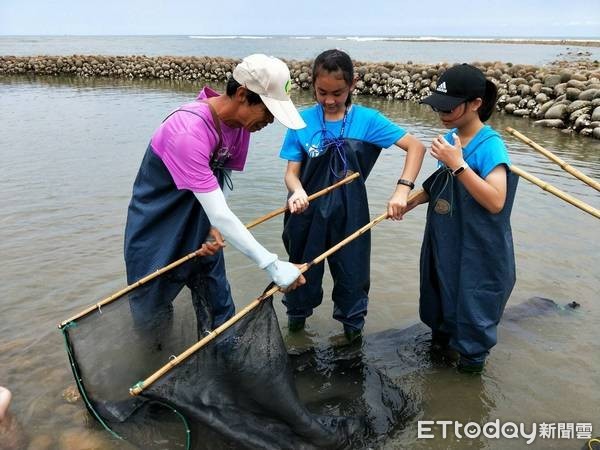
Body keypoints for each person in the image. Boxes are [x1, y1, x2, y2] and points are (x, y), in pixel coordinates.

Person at [124, 54, 306, 339]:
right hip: (156, 230)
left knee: (220, 313)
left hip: (202, 229)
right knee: (151, 315)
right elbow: (220, 211)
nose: (270, 121)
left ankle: (221, 368)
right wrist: (272, 265)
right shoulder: (188, 132)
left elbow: (215, 189)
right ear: (243, 95)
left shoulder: (240, 127)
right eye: (268, 112)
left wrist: (214, 228)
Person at [279, 49, 425, 342]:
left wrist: (402, 189)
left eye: (338, 92)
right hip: (305, 215)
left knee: (353, 282)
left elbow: (416, 148)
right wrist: (296, 192)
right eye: (322, 92)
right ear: (312, 84)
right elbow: (291, 173)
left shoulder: (368, 120)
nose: (330, 100)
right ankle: (295, 337)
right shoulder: (300, 121)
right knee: (299, 281)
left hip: (351, 217)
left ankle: (352, 339)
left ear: (353, 84)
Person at [408, 63, 518, 373]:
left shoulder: (491, 145)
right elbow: (442, 183)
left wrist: (458, 165)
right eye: (438, 106)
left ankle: (470, 382)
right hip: (446, 243)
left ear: (475, 104)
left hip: (477, 252)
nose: (441, 112)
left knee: (472, 317)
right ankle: (440, 374)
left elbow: (496, 200)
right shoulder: (453, 137)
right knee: (439, 303)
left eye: (450, 106)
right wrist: (411, 201)